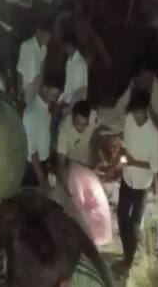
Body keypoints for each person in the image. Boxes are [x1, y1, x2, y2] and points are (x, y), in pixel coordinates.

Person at [116, 89, 158, 271]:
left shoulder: (154, 135)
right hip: (127, 177)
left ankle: (128, 261)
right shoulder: (129, 120)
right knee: (121, 215)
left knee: (134, 221)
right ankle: (127, 252)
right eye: (134, 112)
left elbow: (156, 166)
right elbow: (125, 143)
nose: (136, 117)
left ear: (146, 110)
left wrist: (135, 162)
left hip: (142, 183)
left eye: (139, 113)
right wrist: (121, 155)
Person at [57, 100, 112, 246]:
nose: (82, 128)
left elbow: (98, 132)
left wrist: (97, 152)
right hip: (75, 163)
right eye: (78, 124)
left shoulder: (93, 116)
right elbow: (60, 161)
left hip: (86, 165)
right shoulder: (64, 129)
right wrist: (63, 187)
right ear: (72, 118)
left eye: (85, 124)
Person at [114, 61, 158, 130]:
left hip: (155, 129)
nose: (147, 81)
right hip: (133, 129)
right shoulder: (134, 85)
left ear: (154, 74)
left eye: (150, 77)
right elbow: (119, 108)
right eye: (143, 77)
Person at [22, 76, 62, 188]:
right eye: (53, 95)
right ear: (45, 89)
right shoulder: (32, 113)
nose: (55, 99)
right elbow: (32, 151)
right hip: (33, 168)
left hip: (43, 163)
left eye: (57, 96)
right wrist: (42, 179)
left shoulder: (47, 107)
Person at [16, 16, 51, 102]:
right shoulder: (27, 46)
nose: (48, 39)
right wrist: (20, 93)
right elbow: (20, 71)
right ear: (39, 31)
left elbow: (41, 69)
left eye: (49, 36)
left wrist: (40, 88)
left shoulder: (44, 49)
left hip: (35, 88)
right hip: (26, 88)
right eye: (46, 35)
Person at [59, 31, 88, 109]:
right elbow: (68, 85)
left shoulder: (80, 63)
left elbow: (79, 89)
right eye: (64, 46)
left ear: (73, 45)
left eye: (67, 46)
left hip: (75, 102)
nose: (65, 48)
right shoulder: (69, 61)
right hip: (67, 100)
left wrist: (67, 104)